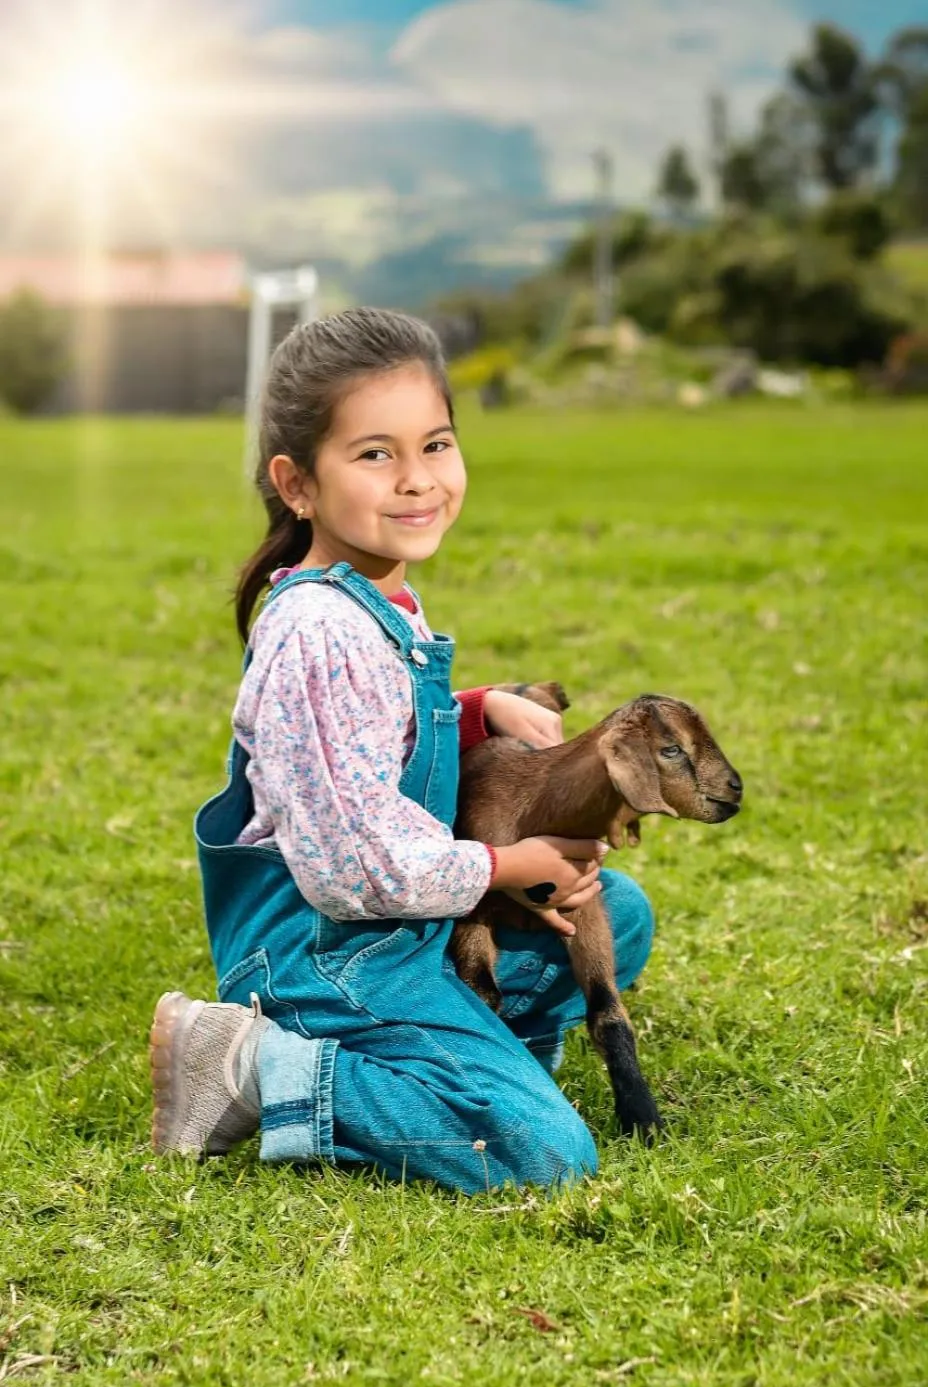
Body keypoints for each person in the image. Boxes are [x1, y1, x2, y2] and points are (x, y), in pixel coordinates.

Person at [149, 307, 654, 1193]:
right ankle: (257, 1066)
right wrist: (503, 864)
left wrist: (473, 711)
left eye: (438, 445)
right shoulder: (315, 632)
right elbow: (348, 867)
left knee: (620, 915)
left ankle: (477, 1060)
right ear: (297, 484)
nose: (418, 481)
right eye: (376, 454)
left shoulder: (376, 599)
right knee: (545, 1155)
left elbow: (371, 738)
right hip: (325, 947)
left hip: (398, 923)